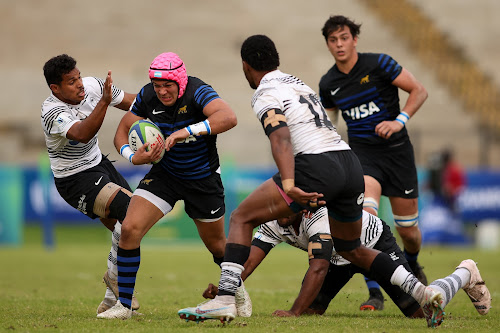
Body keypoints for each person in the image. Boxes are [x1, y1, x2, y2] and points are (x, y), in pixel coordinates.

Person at [178, 34, 448, 327]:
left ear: (246, 66)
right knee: (351, 249)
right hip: (349, 162)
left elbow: (280, 137)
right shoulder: (297, 82)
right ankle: (422, 290)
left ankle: (225, 300)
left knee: (242, 217)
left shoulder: (264, 92)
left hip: (315, 164)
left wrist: (290, 183)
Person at [96, 52, 238, 319]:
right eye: (157, 85)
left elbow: (229, 117)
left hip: (202, 178)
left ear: (180, 81)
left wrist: (186, 131)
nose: (161, 91)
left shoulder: (198, 91)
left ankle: (235, 292)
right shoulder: (147, 95)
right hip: (165, 176)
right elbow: (122, 130)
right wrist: (131, 156)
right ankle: (124, 306)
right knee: (129, 228)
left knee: (218, 246)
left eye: (167, 85)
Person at [202, 208, 491, 327]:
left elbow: (317, 268)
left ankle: (465, 272)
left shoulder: (318, 217)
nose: (279, 215)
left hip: (373, 245)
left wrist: (293, 311)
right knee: (313, 311)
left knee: (421, 314)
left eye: (284, 211)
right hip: (338, 257)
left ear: (302, 210)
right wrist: (229, 284)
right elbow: (251, 257)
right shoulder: (277, 216)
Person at [318, 15, 429, 311]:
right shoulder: (329, 83)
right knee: (365, 221)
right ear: (328, 44)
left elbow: (419, 90)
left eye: (344, 38)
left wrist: (398, 121)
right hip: (363, 159)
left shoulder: (379, 63)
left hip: (398, 155)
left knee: (409, 231)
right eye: (333, 40)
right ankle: (375, 293)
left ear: (354, 39)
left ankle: (413, 263)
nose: (339, 44)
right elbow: (330, 126)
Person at [41, 54, 139, 314]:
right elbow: (82, 134)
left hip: (99, 164)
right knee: (131, 213)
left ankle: (110, 296)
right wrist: (105, 102)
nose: (79, 85)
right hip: (74, 178)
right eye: (71, 82)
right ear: (56, 88)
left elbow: (134, 102)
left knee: (131, 227)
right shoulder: (52, 112)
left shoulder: (94, 86)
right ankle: (116, 283)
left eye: (78, 77)